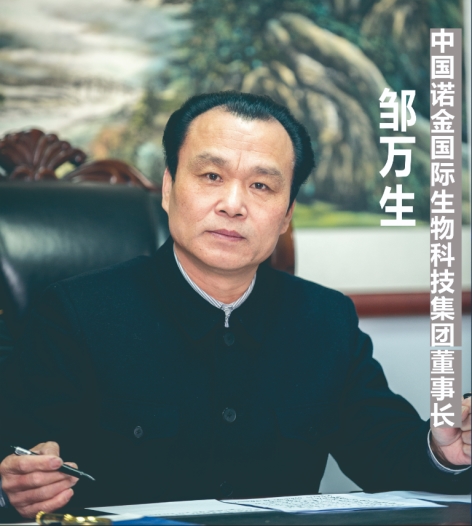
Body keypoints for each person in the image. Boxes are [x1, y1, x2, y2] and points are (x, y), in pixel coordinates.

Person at [0, 92, 470, 519]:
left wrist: (445, 452)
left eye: (261, 186)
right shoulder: (74, 314)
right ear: (168, 188)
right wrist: (21, 482)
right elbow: (21, 456)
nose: (233, 204)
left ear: (286, 215)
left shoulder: (326, 319)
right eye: (211, 176)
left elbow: (387, 452)